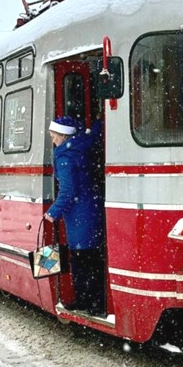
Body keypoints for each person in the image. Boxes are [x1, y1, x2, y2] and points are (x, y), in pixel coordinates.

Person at [44, 116, 105, 315]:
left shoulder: (64, 157)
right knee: (92, 257)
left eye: (54, 136)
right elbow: (95, 133)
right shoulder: (81, 145)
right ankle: (93, 301)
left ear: (63, 135)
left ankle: (87, 301)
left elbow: (68, 191)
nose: (53, 140)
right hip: (91, 209)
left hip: (79, 215)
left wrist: (53, 212)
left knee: (81, 259)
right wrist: (97, 122)